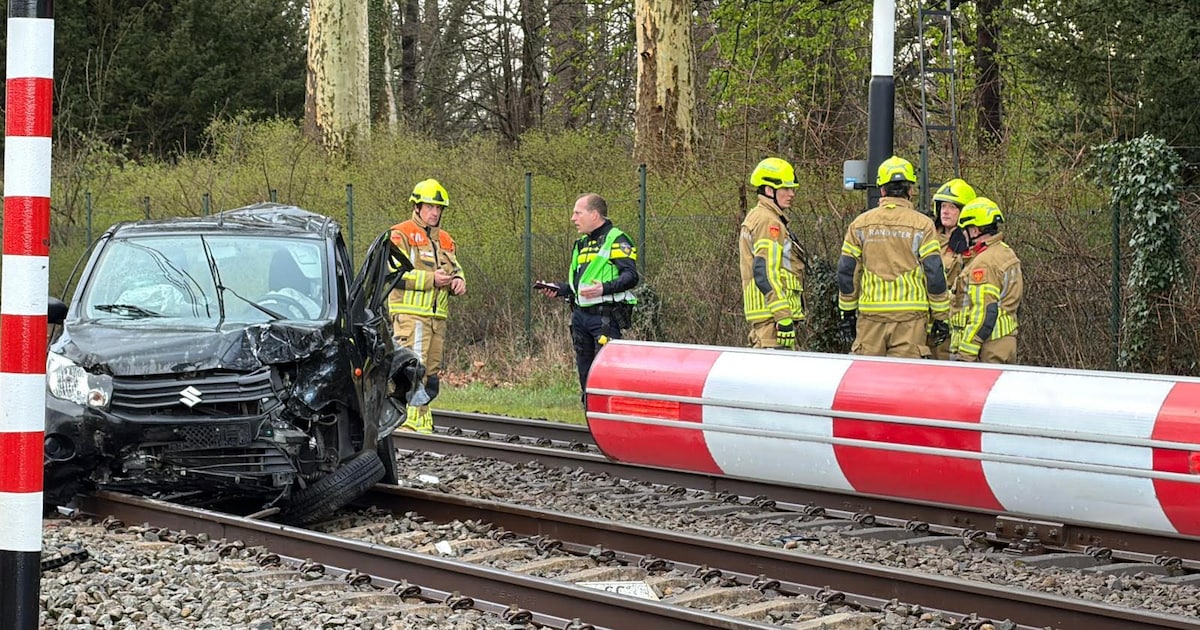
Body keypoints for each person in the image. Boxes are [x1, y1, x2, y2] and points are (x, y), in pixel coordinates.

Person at [837, 156, 950, 358]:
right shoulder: (923, 225)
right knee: (903, 384)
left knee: (869, 383)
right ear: (911, 190)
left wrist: (847, 311)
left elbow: (847, 271)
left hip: (871, 317)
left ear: (881, 190)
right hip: (910, 319)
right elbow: (934, 273)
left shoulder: (860, 224)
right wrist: (941, 316)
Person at [537, 193, 639, 403]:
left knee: (606, 374)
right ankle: (590, 416)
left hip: (604, 318)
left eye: (577, 213)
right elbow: (580, 286)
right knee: (585, 374)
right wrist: (560, 289)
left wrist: (604, 289)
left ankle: (609, 419)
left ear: (594, 214)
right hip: (580, 318)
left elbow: (631, 276)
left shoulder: (616, 239)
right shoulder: (581, 244)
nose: (573, 218)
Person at [388, 179, 466, 433]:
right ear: (418, 206)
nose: (435, 212)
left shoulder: (445, 239)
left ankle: (421, 419)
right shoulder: (400, 234)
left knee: (430, 373)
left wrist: (458, 281)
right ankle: (406, 421)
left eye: (438, 208)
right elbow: (392, 276)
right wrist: (431, 280)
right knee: (412, 368)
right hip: (409, 315)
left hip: (436, 317)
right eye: (430, 207)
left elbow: (456, 269)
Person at [739, 157, 805, 350]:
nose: (792, 194)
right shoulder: (769, 221)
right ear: (769, 190)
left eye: (793, 189)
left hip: (766, 317)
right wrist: (783, 315)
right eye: (786, 188)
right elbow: (765, 270)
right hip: (774, 321)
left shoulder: (756, 217)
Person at [949, 197, 1023, 363]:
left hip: (987, 347)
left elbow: (983, 312)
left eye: (965, 230)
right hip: (1004, 342)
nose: (963, 235)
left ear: (975, 231)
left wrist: (965, 355)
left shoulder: (984, 263)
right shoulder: (1005, 252)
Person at [927, 178, 976, 359]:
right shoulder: (927, 237)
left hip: (951, 324)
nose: (945, 211)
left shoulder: (969, 246)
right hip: (923, 323)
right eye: (943, 206)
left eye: (953, 207)